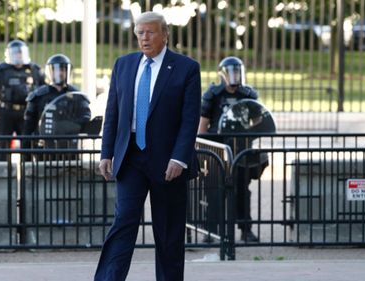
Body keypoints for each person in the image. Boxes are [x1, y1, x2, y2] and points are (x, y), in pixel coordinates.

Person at [95, 11, 200, 281]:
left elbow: (190, 120)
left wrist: (180, 158)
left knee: (168, 232)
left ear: (165, 34)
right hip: (131, 158)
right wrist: (107, 152)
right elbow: (113, 113)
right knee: (123, 224)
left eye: (150, 32)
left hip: (168, 163)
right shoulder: (124, 65)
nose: (144, 38)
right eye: (139, 33)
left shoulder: (186, 68)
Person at [198, 56, 263, 242]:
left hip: (240, 149)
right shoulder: (213, 94)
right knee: (213, 191)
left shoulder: (248, 94)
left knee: (242, 190)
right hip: (217, 149)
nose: (234, 75)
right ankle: (211, 231)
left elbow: (258, 122)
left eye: (237, 71)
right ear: (223, 74)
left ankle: (245, 230)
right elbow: (203, 124)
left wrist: (247, 136)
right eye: (231, 71)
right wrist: (203, 148)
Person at [0, 39, 45, 147]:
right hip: (6, 112)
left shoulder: (34, 70)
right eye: (15, 53)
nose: (18, 55)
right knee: (2, 146)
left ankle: (26, 164)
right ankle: (3, 164)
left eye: (20, 53)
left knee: (28, 145)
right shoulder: (1, 70)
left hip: (27, 112)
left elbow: (43, 90)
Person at [23, 53, 90, 138]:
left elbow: (85, 117)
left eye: (63, 70)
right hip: (43, 144)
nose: (60, 73)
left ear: (68, 72)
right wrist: (25, 149)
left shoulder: (77, 96)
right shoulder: (38, 96)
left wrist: (68, 126)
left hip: (69, 144)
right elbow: (29, 125)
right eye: (56, 70)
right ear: (50, 72)